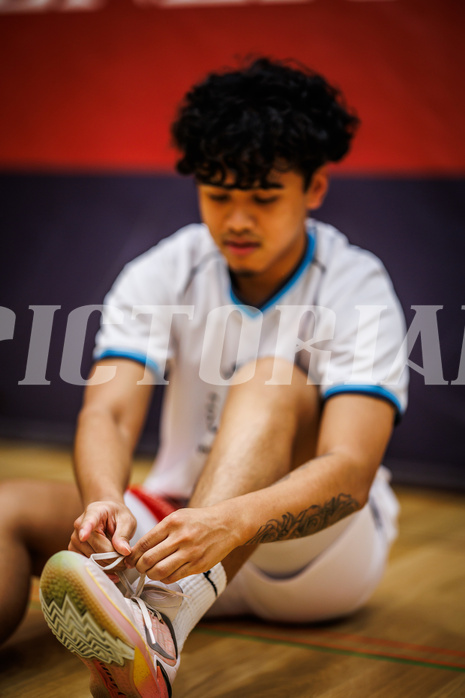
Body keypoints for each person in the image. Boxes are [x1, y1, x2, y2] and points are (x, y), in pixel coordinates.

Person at [1, 57, 407, 697]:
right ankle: (149, 613)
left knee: (269, 376)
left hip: (308, 557)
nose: (238, 220)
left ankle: (159, 620)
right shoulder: (166, 268)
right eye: (219, 196)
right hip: (173, 526)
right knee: (6, 510)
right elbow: (107, 413)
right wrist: (104, 499)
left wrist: (233, 522)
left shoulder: (357, 282)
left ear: (316, 188)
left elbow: (351, 472)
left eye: (264, 198)